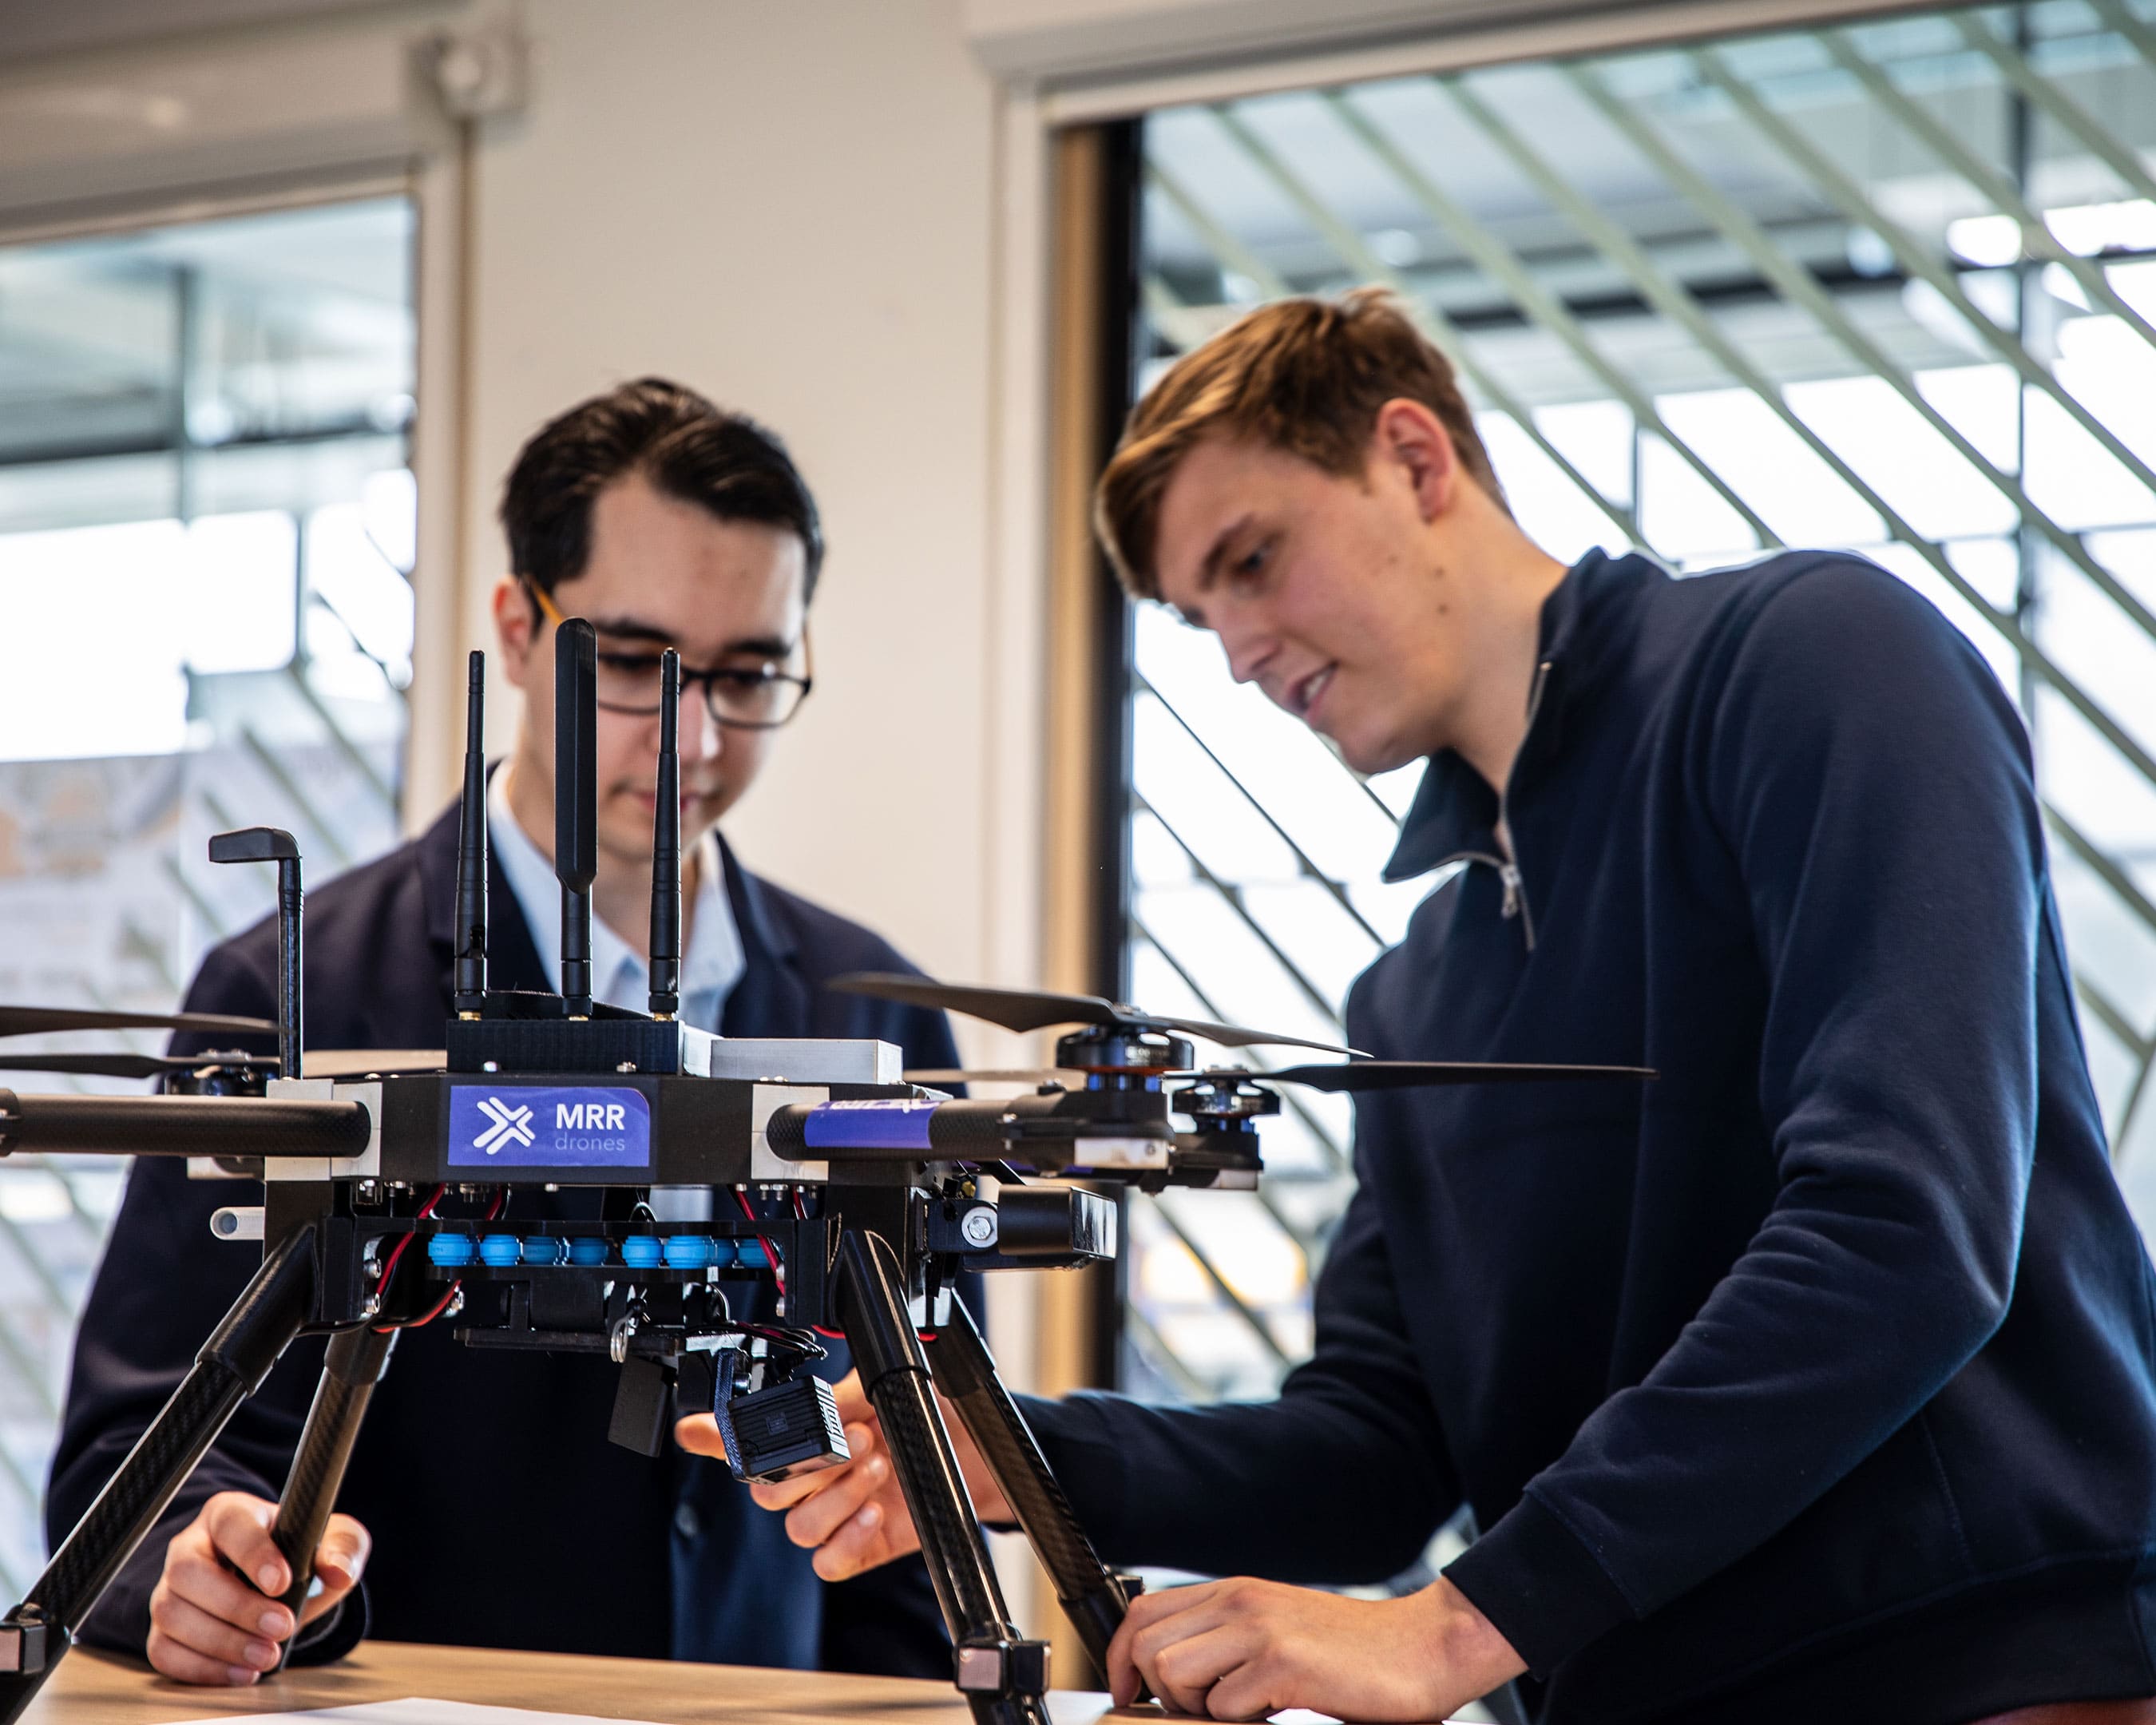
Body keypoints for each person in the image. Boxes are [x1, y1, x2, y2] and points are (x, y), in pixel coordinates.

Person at [737, 291, 2156, 1724]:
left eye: (1254, 559)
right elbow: (1377, 1453)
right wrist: (1005, 1452)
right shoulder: (1419, 985)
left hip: (1974, 1684)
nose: (1237, 651)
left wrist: (1454, 1632)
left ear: (1414, 459)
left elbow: (1906, 1233)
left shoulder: (1817, 661)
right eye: (1198, 614)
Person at [49, 380, 967, 1688]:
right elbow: (136, 1456)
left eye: (750, 672)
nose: (692, 739)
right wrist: (202, 1568)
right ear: (518, 633)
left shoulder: (877, 1014)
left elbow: (916, 1483)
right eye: (638, 664)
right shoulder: (283, 996)